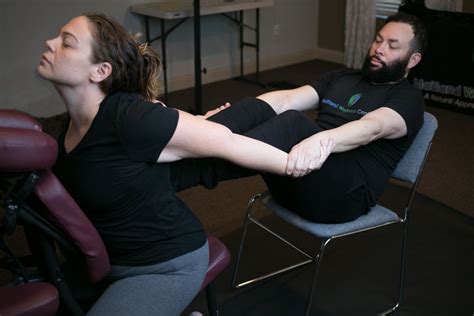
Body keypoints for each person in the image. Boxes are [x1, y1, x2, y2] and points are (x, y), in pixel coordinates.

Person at [36, 12, 327, 316]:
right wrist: (195, 122)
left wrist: (292, 165)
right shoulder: (64, 128)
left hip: (165, 264)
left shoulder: (128, 117)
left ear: (100, 71)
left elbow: (228, 142)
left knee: (254, 120)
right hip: (111, 261)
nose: (50, 42)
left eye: (66, 43)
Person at [194, 11, 427, 224]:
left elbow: (372, 128)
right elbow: (286, 99)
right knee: (257, 107)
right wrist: (226, 117)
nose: (379, 48)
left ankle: (184, 169)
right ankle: (192, 131)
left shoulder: (409, 99)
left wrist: (319, 142)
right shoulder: (344, 77)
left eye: (392, 46)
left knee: (292, 123)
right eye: (378, 39)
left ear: (413, 60)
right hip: (297, 174)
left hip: (341, 199)